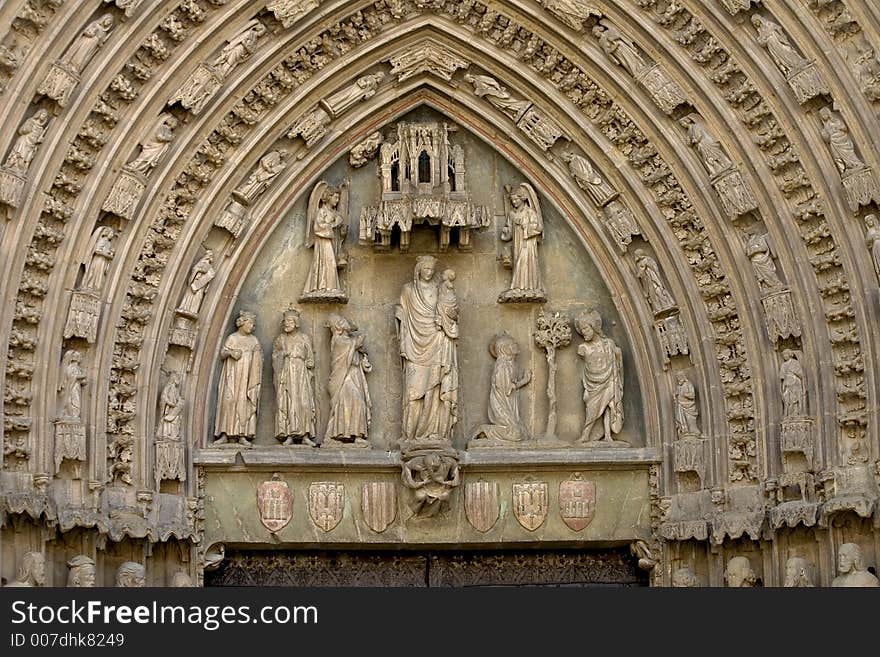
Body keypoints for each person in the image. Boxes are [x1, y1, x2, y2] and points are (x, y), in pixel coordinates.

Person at [395, 256, 459, 443]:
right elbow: (402, 312)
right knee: (413, 391)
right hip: (415, 343)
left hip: (438, 339)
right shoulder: (408, 290)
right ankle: (410, 435)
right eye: (426, 269)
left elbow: (453, 311)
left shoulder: (441, 289)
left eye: (432, 269)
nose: (429, 272)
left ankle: (436, 433)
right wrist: (399, 316)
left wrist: (447, 318)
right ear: (418, 270)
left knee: (436, 386)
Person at [213, 311, 262, 446]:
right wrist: (231, 353)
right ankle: (225, 433)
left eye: (253, 325)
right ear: (242, 322)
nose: (253, 327)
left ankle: (242, 434)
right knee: (229, 401)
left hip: (247, 378)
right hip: (232, 376)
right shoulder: (232, 338)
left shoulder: (254, 340)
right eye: (251, 324)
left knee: (244, 402)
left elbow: (258, 360)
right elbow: (223, 353)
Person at [575, 310, 624, 443]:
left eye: (585, 328)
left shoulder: (608, 344)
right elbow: (586, 367)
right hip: (593, 383)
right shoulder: (583, 348)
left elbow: (616, 359)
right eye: (581, 329)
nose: (583, 331)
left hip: (609, 378)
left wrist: (618, 355)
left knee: (609, 406)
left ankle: (608, 435)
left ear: (594, 327)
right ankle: (586, 434)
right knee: (591, 409)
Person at [324, 314, 372, 445]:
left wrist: (363, 360)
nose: (345, 322)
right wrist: (358, 341)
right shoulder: (338, 341)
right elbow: (354, 344)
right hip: (344, 376)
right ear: (338, 327)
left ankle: (356, 435)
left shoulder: (349, 340)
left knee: (357, 403)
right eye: (342, 321)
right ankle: (339, 434)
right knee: (354, 402)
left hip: (355, 374)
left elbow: (357, 351)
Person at [273, 307, 317, 446]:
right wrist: (282, 355)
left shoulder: (304, 338)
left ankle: (305, 435)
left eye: (289, 321)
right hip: (286, 373)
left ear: (296, 323)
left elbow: (310, 358)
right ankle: (288, 435)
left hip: (301, 373)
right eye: (285, 321)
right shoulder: (280, 339)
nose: (286, 324)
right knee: (287, 402)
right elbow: (274, 356)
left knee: (303, 402)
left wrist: (307, 362)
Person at [500, 183, 544, 300]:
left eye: (516, 199)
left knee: (525, 262)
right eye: (512, 200)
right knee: (517, 262)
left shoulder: (529, 212)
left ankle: (530, 288)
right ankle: (518, 287)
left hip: (528, 243)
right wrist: (506, 231)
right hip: (517, 244)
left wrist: (524, 225)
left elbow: (538, 227)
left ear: (522, 198)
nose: (514, 202)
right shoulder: (512, 214)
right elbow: (508, 231)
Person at [779, 349, 806, 418]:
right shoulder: (783, 365)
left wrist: (794, 373)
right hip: (787, 384)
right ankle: (788, 414)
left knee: (797, 398)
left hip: (795, 383)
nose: (784, 356)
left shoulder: (795, 363)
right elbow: (782, 377)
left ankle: (798, 413)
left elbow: (801, 374)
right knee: (787, 399)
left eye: (786, 354)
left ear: (790, 354)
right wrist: (782, 387)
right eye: (783, 355)